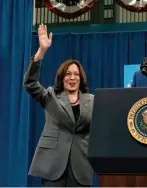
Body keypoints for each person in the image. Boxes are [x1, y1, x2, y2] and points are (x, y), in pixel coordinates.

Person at [23, 24, 93, 187]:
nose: (72, 77)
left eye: (76, 74)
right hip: (54, 166)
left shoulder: (92, 100)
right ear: (61, 78)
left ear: (81, 78)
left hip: (80, 167)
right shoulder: (51, 96)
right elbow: (30, 83)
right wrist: (41, 52)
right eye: (68, 74)